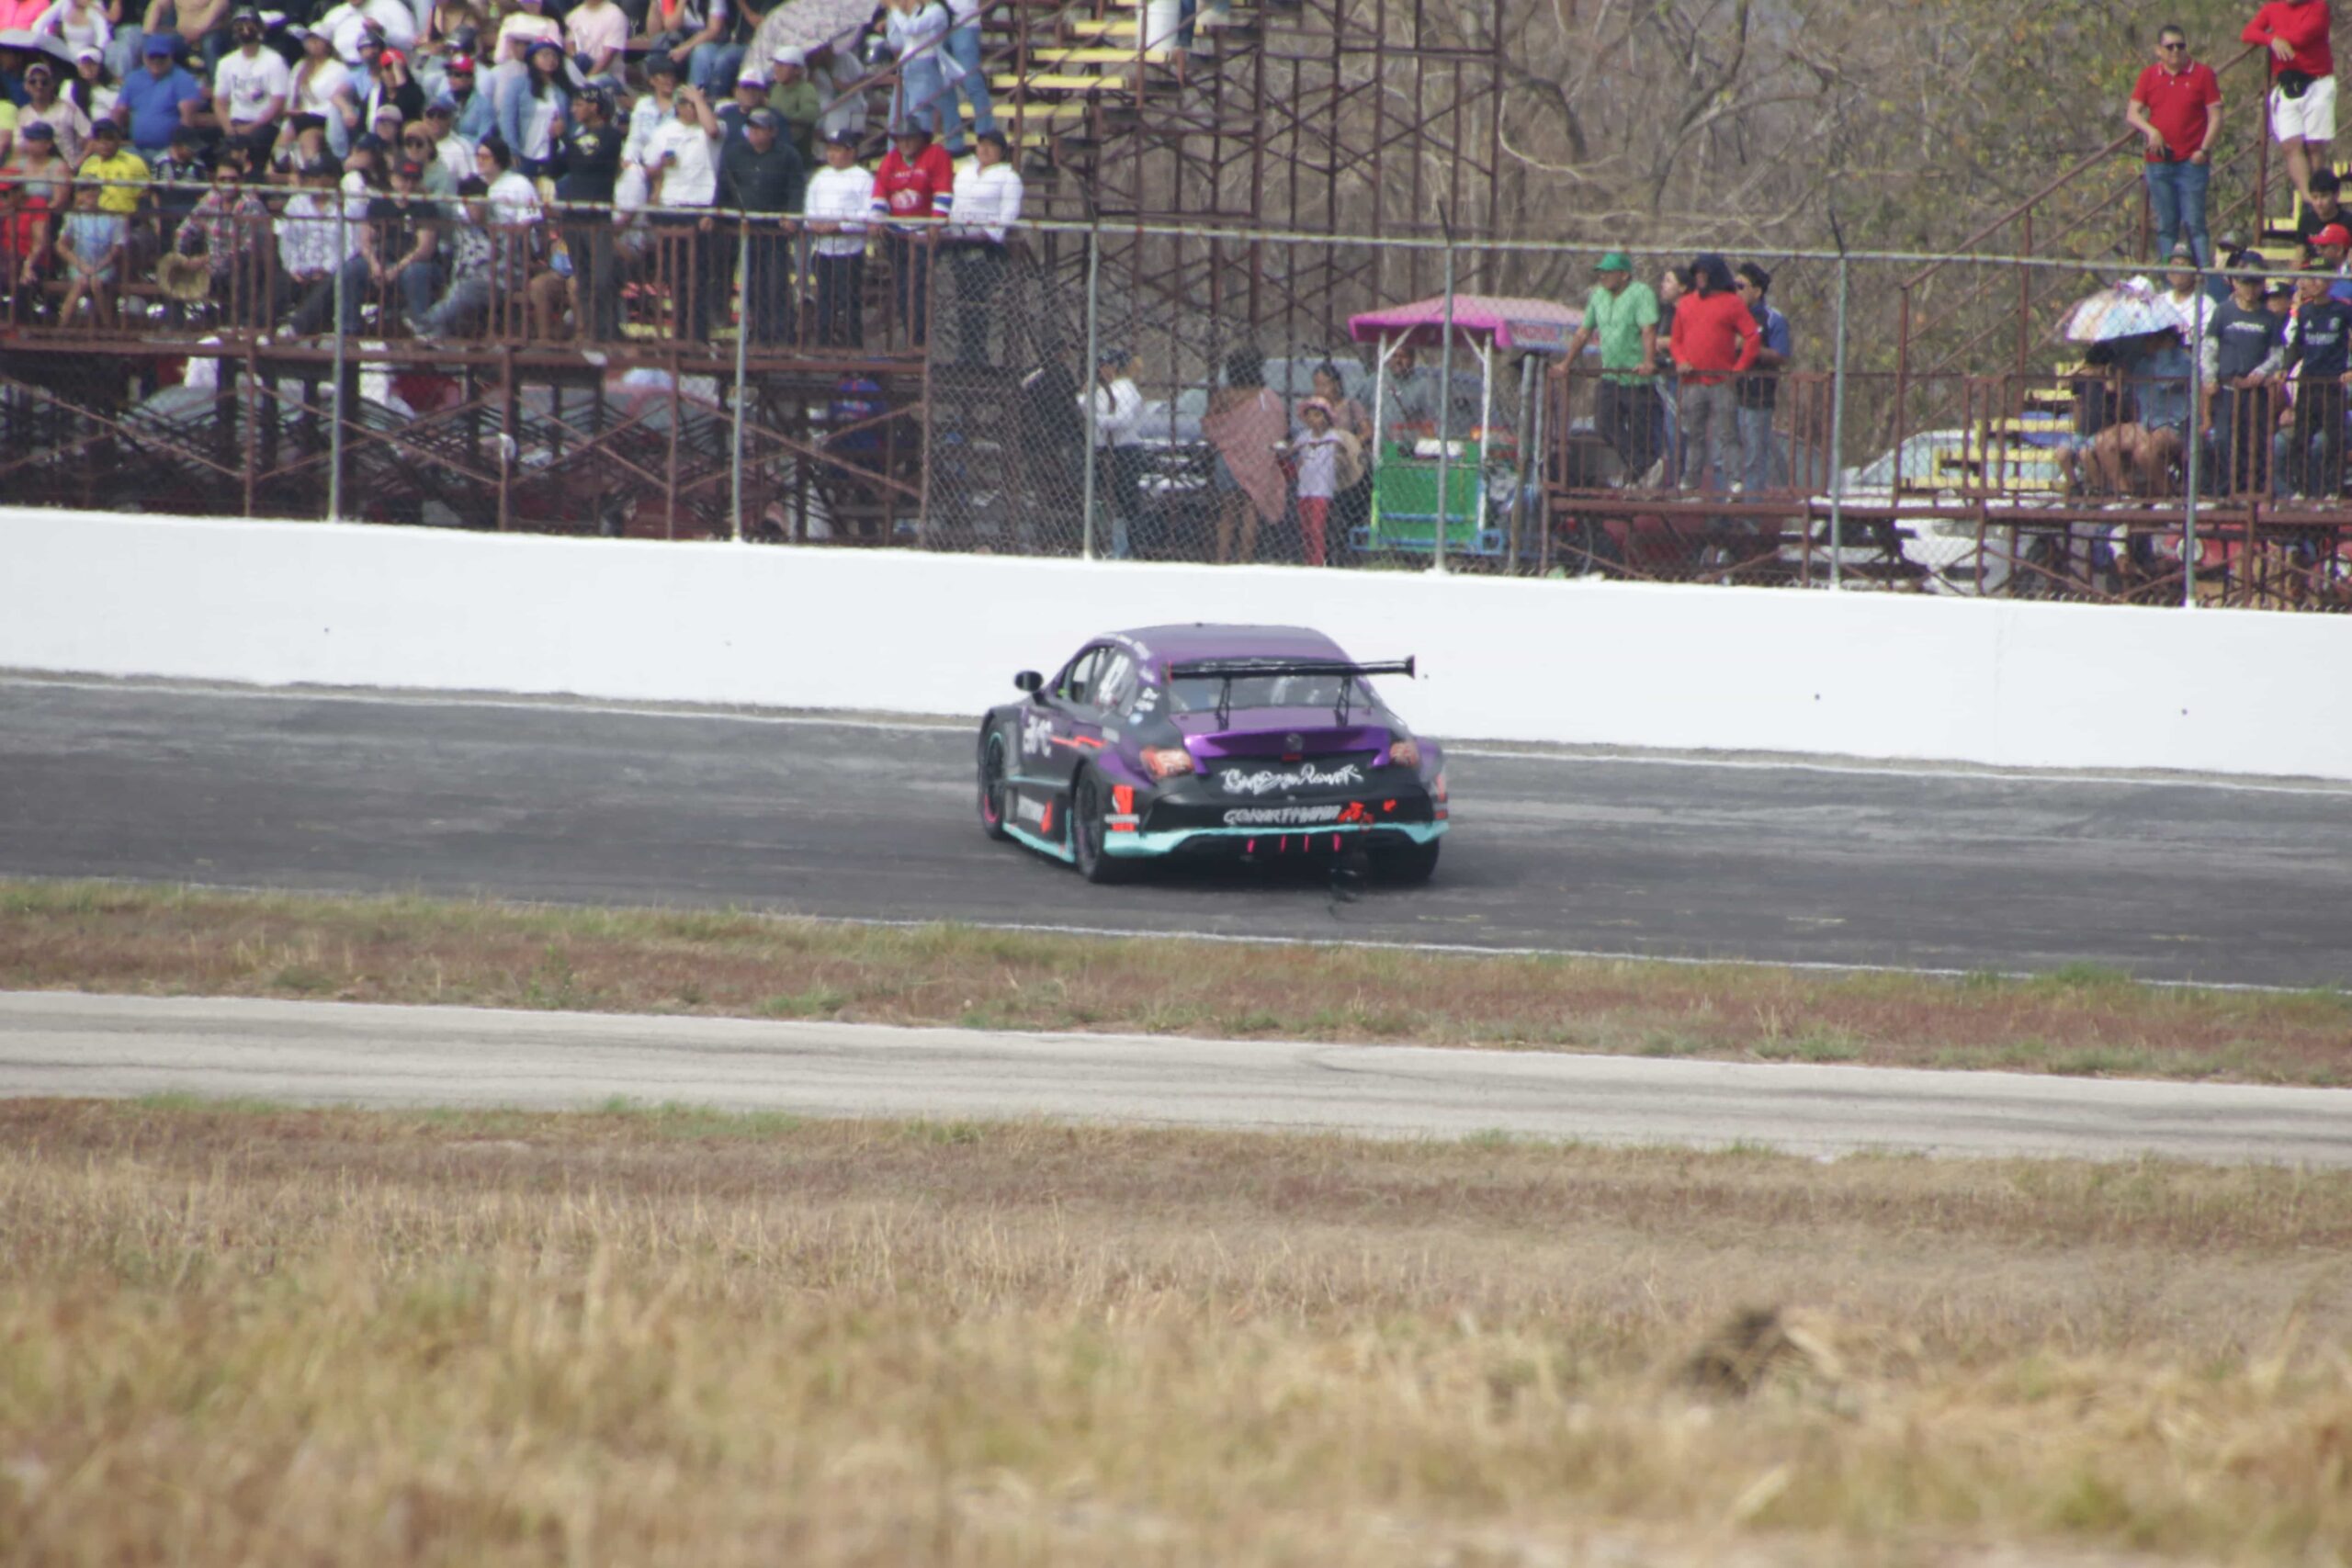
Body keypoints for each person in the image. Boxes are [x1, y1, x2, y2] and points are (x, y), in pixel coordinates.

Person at [1556, 250, 1658, 485]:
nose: (1603, 276)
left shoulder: (1641, 293)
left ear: (1624, 275)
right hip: (1611, 373)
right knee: (1604, 423)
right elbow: (1584, 332)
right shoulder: (1599, 296)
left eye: (1608, 272)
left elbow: (1648, 329)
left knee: (1639, 428)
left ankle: (1640, 469)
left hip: (1636, 376)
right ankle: (1640, 464)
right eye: (1601, 272)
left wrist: (1648, 361)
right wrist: (1566, 363)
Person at [2127, 21, 2222, 266]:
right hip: (2159, 162)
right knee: (2166, 225)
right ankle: (2169, 281)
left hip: (2192, 162)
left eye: (2180, 46)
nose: (2176, 51)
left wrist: (2204, 149)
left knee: (2195, 225)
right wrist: (2151, 131)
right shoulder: (2149, 76)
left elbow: (2215, 116)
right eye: (2170, 47)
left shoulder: (2202, 74)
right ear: (2158, 50)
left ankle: (2203, 279)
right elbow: (2133, 113)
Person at [1668, 252, 1758, 491]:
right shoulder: (1686, 304)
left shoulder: (1732, 303)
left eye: (1704, 274)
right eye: (1697, 274)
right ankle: (1690, 481)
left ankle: (1734, 480)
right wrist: (1681, 361)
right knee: (1694, 435)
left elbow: (1752, 337)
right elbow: (1676, 341)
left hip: (1722, 382)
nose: (1700, 278)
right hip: (1693, 381)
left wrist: (1739, 369)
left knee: (1728, 434)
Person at [715, 103, 801, 343]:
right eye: (752, 128)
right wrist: (715, 215)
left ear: (772, 131)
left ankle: (781, 334)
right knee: (751, 282)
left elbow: (796, 189)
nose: (755, 132)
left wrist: (792, 216)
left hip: (774, 231)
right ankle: (758, 332)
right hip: (744, 229)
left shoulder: (788, 155)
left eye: (761, 128)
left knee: (775, 282)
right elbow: (723, 187)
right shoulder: (734, 153)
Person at [2203, 265, 2289, 496]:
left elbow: (2277, 354)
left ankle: (2253, 491)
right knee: (2224, 439)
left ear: (2262, 286)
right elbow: (2209, 347)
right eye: (2245, 283)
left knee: (2254, 441)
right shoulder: (2223, 312)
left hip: (2256, 391)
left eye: (2255, 284)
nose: (2250, 289)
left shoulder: (2269, 318)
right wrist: (2209, 377)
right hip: (2228, 387)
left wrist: (2260, 373)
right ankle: (2226, 491)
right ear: (2235, 283)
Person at [641, 80, 717, 339]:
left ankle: (698, 335)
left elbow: (713, 130)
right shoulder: (663, 132)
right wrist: (662, 164)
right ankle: (680, 331)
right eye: (686, 103)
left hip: (700, 206)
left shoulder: (710, 128)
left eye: (695, 104)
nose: (691, 108)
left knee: (699, 276)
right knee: (676, 275)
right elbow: (648, 169)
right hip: (671, 206)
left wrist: (699, 99)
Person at [1201, 345, 1287, 563]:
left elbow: (1210, 425)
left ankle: (1221, 560)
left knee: (1228, 512)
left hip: (1228, 460)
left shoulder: (1225, 396)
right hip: (1257, 461)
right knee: (1251, 510)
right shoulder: (1267, 398)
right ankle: (1244, 560)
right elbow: (1278, 428)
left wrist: (1229, 436)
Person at [2243, 0, 2334, 205]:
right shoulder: (2273, 7)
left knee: (2314, 144)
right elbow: (2248, 33)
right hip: (2287, 84)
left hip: (2316, 82)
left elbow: (2301, 37)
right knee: (2291, 145)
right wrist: (2271, 39)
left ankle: (2320, 192)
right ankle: (2309, 199)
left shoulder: (2318, 6)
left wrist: (2274, 36)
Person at [869, 119, 950, 344]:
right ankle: (912, 341)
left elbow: (943, 190)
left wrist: (936, 222)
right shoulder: (891, 159)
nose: (904, 144)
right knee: (904, 289)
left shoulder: (936, 155)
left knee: (917, 288)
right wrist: (876, 219)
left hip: (923, 235)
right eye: (900, 139)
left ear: (921, 138)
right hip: (897, 235)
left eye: (909, 138)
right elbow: (880, 191)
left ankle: (920, 342)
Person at [944, 126, 1017, 365]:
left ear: (1001, 151)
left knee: (978, 300)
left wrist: (990, 233)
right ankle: (963, 352)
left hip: (986, 248)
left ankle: (977, 354)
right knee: (962, 300)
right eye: (981, 144)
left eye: (991, 146)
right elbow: (955, 204)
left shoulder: (1008, 177)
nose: (984, 150)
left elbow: (1009, 212)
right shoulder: (965, 172)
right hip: (960, 242)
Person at [554, 83, 620, 340]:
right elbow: (556, 167)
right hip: (573, 216)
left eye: (579, 105)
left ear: (594, 106)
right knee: (583, 279)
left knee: (601, 278)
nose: (574, 110)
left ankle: (609, 330)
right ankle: (591, 331)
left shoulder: (611, 136)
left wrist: (563, 139)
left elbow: (589, 160)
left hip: (597, 217)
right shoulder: (576, 137)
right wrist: (554, 140)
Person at [2279, 265, 2352, 495]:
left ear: (2330, 282)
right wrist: (2285, 368)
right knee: (2301, 437)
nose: (2313, 283)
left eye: (2320, 279)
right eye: (2310, 278)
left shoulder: (2343, 309)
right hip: (2309, 382)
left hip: (2333, 383)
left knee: (2334, 439)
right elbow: (2297, 344)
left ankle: (2332, 490)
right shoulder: (2305, 311)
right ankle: (2302, 489)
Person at [801, 124, 867, 346]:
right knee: (824, 299)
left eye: (838, 149)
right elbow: (809, 209)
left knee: (849, 300)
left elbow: (868, 213)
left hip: (850, 251)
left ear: (851, 151)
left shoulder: (862, 177)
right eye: (830, 149)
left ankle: (853, 346)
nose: (832, 154)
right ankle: (823, 344)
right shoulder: (820, 176)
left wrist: (840, 226)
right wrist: (815, 224)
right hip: (822, 249)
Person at [1731, 261, 1791, 495]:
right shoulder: (1729, 316)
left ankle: (1751, 507)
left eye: (1740, 286)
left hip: (1757, 397)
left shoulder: (1772, 319)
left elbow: (1781, 355)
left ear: (1757, 291)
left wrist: (1749, 348)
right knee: (1724, 454)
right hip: (1727, 394)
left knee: (1754, 456)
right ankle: (1725, 505)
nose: (1735, 291)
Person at [1080, 344, 1146, 558]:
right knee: (1102, 498)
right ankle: (1106, 545)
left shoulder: (1125, 388)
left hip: (1124, 451)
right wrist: (1086, 400)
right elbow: (1083, 407)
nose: (1104, 370)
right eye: (1101, 365)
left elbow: (1122, 419)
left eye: (1108, 365)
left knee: (1125, 502)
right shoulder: (1101, 388)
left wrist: (1096, 419)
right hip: (1102, 450)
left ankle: (1125, 549)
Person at [413, 171, 489, 335]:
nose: (474, 208)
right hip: (462, 278)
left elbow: (505, 260)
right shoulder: (460, 225)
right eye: (469, 204)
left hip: (491, 280)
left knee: (462, 291)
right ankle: (433, 336)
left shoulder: (500, 225)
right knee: (455, 290)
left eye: (478, 203)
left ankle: (424, 323)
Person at [1283, 395, 1348, 567]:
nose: (1313, 420)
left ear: (1327, 418)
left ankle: (1318, 561)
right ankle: (1308, 559)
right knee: (1306, 528)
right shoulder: (1304, 437)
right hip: (1305, 488)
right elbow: (1291, 452)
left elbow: (1344, 453)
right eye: (1310, 415)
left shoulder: (1333, 437)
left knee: (1317, 527)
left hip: (1322, 490)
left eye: (1318, 415)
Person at [118, 31, 207, 155]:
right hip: (137, 149)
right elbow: (120, 110)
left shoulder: (183, 79)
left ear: (170, 56)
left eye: (161, 56)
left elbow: (187, 119)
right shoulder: (133, 78)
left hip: (168, 151)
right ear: (144, 56)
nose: (156, 61)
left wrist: (178, 151)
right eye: (152, 56)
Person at [211, 6, 288, 149]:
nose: (245, 29)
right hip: (235, 122)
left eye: (249, 24)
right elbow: (219, 102)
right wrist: (228, 128)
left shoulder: (275, 61)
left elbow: (278, 103)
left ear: (259, 28)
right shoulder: (225, 63)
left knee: (254, 142)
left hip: (265, 124)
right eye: (239, 26)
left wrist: (252, 127)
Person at [52, 176, 124, 322]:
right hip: (80, 264)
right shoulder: (73, 216)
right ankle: (62, 326)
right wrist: (80, 265)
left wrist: (99, 266)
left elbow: (117, 248)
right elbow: (61, 245)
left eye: (93, 189)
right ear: (79, 194)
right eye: (85, 190)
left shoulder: (114, 217)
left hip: (104, 265)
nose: (90, 193)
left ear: (100, 192)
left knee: (96, 283)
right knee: (81, 282)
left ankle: (107, 326)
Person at [883, 0, 952, 151]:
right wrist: (895, 13)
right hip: (907, 66)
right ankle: (894, 157)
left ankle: (920, 156)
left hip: (924, 64)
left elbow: (911, 28)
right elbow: (896, 41)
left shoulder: (936, 11)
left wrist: (894, 9)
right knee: (897, 116)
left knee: (919, 116)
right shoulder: (917, 12)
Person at [495, 36, 567, 178]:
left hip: (552, 155)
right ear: (533, 58)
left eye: (554, 55)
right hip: (523, 155)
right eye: (545, 55)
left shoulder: (562, 90)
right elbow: (507, 119)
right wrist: (512, 149)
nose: (551, 59)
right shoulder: (518, 84)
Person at [941, 0, 994, 155]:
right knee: (945, 84)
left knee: (972, 80)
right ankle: (953, 140)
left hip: (965, 21)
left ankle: (986, 134)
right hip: (938, 24)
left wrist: (976, 11)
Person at [18, 61, 92, 166]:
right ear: (26, 86)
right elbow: (19, 149)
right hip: (37, 171)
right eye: (33, 82)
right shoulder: (22, 114)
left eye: (44, 82)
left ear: (52, 85)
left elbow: (91, 139)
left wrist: (78, 165)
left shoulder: (69, 109)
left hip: (69, 168)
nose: (39, 86)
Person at [763, 45, 820, 164]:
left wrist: (782, 117)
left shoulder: (806, 89)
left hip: (796, 147)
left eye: (782, 66)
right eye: (776, 65)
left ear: (797, 70)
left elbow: (811, 114)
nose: (777, 69)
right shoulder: (776, 89)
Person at [562, 0, 626, 83]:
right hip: (580, 71)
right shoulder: (573, 16)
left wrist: (585, 83)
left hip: (608, 76)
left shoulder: (615, 15)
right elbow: (569, 50)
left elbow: (608, 57)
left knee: (594, 82)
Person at [2297, 168, 2350, 261]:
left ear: (2336, 195)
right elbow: (2299, 255)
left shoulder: (2348, 221)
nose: (2319, 203)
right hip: (2311, 268)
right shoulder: (2306, 220)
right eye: (2315, 197)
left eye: (2324, 196)